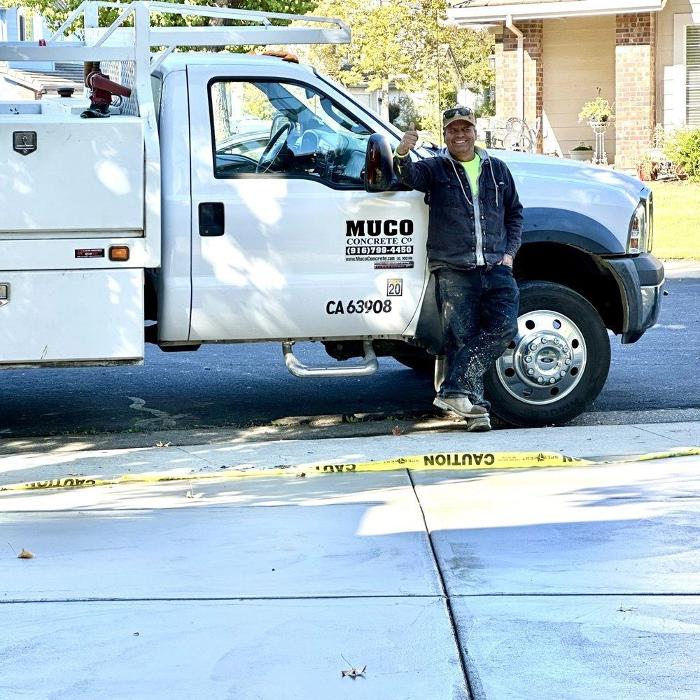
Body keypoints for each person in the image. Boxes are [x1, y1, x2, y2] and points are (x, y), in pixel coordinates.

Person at [394, 107, 523, 431]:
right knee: (461, 340)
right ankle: (476, 413)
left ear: (475, 132)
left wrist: (509, 254)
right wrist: (402, 152)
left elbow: (515, 214)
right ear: (445, 135)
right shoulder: (435, 168)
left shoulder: (497, 169)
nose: (460, 135)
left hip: (496, 267)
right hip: (454, 269)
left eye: (465, 129)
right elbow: (408, 177)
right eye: (453, 130)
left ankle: (452, 391)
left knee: (505, 328)